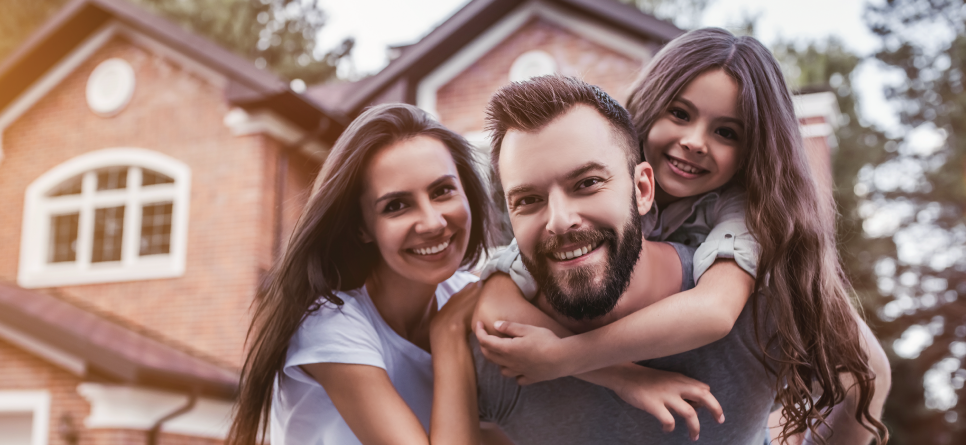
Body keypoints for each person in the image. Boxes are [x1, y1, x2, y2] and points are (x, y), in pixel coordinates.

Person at [472, 66, 887, 443]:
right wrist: (621, 377)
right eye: (681, 114)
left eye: (727, 132)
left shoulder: (746, 225)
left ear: (642, 188)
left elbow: (717, 311)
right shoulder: (509, 333)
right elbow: (490, 302)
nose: (694, 142)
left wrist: (564, 357)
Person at [226, 103, 496, 445]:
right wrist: (449, 334)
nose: (433, 222)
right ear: (361, 228)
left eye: (442, 191)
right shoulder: (328, 324)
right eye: (396, 205)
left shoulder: (470, 294)